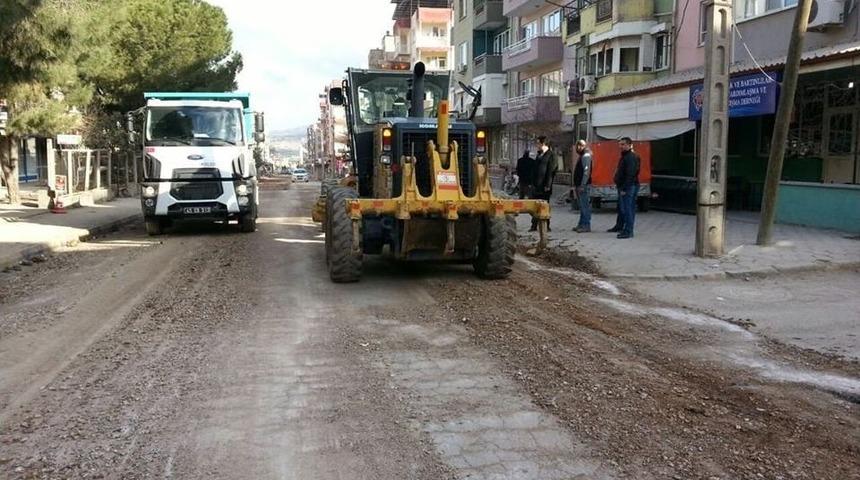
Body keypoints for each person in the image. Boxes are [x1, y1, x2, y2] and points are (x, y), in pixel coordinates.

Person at [613, 137, 640, 239]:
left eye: (623, 144)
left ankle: (628, 231)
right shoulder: (625, 156)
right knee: (625, 208)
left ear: (629, 145)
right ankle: (624, 228)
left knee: (628, 209)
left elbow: (631, 174)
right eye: (620, 144)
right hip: (625, 186)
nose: (621, 146)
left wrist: (624, 188)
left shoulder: (631, 157)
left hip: (628, 187)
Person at [530, 136, 557, 232]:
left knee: (545, 206)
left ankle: (546, 225)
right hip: (536, 185)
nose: (537, 145)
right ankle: (534, 225)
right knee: (535, 205)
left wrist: (548, 185)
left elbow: (551, 171)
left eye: (538, 143)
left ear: (543, 144)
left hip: (545, 186)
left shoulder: (551, 155)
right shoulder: (539, 154)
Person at [572, 140, 592, 233]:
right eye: (578, 146)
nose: (579, 147)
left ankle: (586, 225)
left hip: (583, 185)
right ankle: (581, 224)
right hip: (579, 185)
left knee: (585, 206)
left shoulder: (586, 156)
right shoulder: (582, 156)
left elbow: (586, 172)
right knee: (582, 206)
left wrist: (582, 185)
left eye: (581, 146)